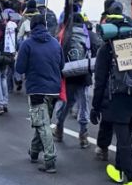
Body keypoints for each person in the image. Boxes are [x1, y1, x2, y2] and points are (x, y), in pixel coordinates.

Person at [91, 4, 132, 185]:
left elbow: (100, 81)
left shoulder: (106, 49)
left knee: (123, 142)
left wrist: (96, 107)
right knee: (127, 136)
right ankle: (118, 170)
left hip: (118, 99)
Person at [15, 14, 64, 173]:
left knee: (42, 124)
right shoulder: (56, 43)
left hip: (36, 89)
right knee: (42, 121)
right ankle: (34, 151)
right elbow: (62, 65)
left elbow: (19, 68)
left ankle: (50, 159)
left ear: (32, 26)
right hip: (54, 90)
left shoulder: (27, 44)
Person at [54, 12, 101, 148]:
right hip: (84, 75)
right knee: (84, 105)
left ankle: (59, 127)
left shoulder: (63, 35)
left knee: (66, 104)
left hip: (67, 75)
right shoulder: (90, 36)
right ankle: (83, 135)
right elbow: (96, 55)